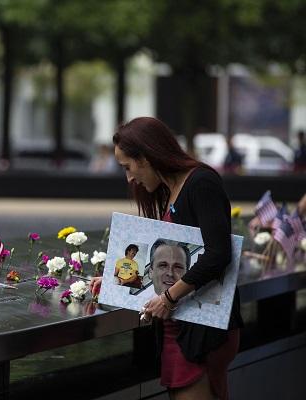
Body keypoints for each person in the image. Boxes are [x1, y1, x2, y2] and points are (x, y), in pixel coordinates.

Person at [89, 117, 242, 400]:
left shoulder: (201, 182)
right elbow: (166, 262)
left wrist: (169, 298)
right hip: (182, 325)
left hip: (201, 333)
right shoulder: (170, 189)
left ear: (146, 157)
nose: (129, 178)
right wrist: (114, 281)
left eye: (128, 167)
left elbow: (218, 254)